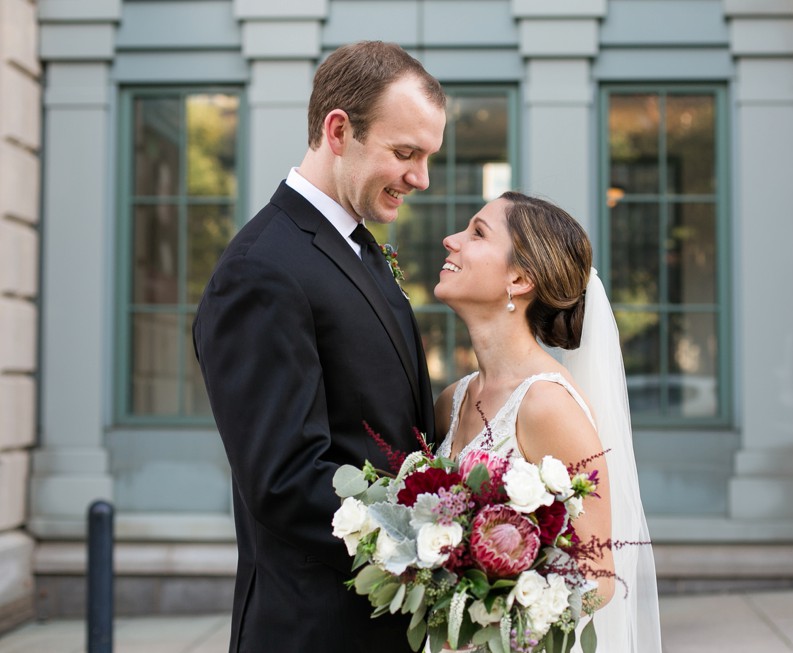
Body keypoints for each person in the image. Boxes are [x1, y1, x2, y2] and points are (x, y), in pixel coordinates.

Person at [193, 41, 446, 653]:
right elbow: (285, 480)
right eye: (405, 153)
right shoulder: (262, 270)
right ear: (339, 130)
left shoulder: (354, 245)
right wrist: (442, 541)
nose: (421, 178)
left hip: (382, 622)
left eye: (428, 157)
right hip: (314, 629)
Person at [432, 192, 662, 652]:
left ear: (518, 278)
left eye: (477, 232)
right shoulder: (452, 400)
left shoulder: (547, 405)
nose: (450, 240)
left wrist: (491, 618)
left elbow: (599, 578)